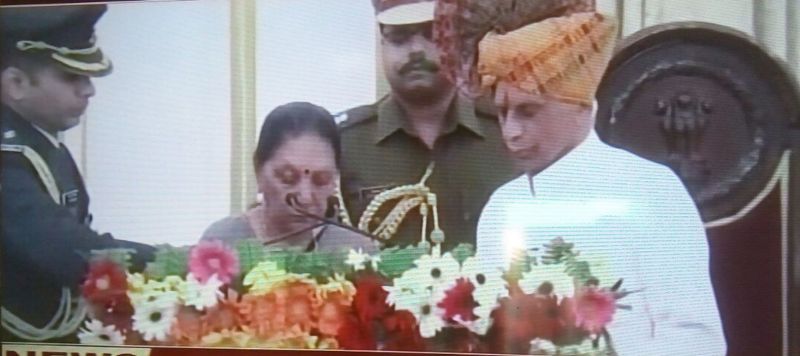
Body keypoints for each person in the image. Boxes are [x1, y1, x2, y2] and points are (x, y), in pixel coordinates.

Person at [467, 12, 727, 354]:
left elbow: (698, 342)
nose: (511, 132)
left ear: (580, 107)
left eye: (528, 111)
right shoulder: (502, 206)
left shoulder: (652, 191)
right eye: (502, 112)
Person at [1, 4, 154, 342]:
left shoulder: (42, 140)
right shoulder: (7, 157)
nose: (89, 90)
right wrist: (171, 261)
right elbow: (65, 248)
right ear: (16, 83)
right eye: (72, 77)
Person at [337, 0, 519, 251]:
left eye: (432, 34)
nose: (416, 51)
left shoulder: (509, 134)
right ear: (382, 45)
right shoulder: (344, 144)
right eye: (399, 38)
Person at [202, 102, 378, 254]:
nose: (305, 197)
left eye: (321, 179)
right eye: (287, 178)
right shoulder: (220, 243)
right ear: (258, 170)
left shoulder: (356, 251)